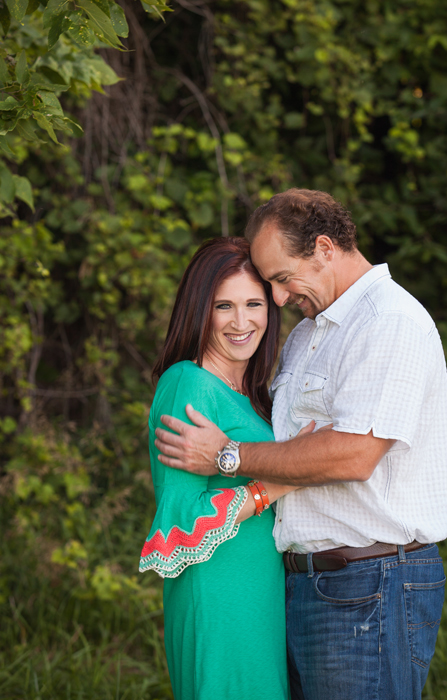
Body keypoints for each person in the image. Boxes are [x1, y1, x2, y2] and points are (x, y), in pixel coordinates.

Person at [153, 189, 447, 700]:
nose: (277, 299)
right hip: (296, 587)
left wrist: (230, 456)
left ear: (323, 248)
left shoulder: (388, 322)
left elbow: (355, 454)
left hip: (368, 581)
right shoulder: (307, 336)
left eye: (278, 280)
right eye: (233, 301)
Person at [139, 237, 299, 700]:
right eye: (223, 306)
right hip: (216, 594)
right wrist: (276, 483)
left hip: (259, 592)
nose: (241, 321)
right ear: (198, 310)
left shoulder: (251, 393)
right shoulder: (187, 382)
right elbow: (180, 522)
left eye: (254, 303)